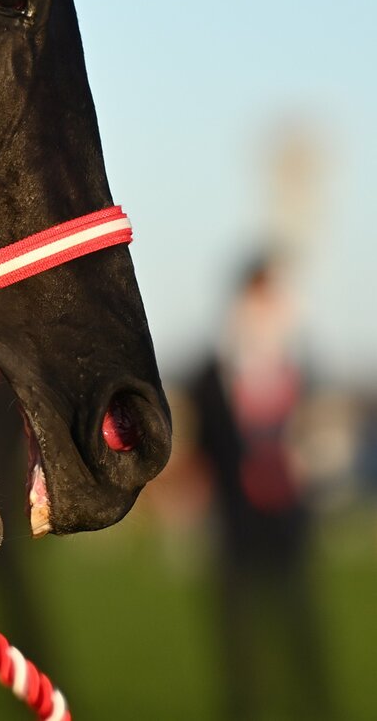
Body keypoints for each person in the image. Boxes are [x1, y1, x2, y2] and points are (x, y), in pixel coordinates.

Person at [189, 254, 334, 721]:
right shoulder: (212, 374)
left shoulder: (298, 370)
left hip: (288, 518)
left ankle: (312, 700)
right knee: (238, 630)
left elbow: (315, 439)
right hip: (236, 520)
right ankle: (243, 705)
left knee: (297, 618)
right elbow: (206, 443)